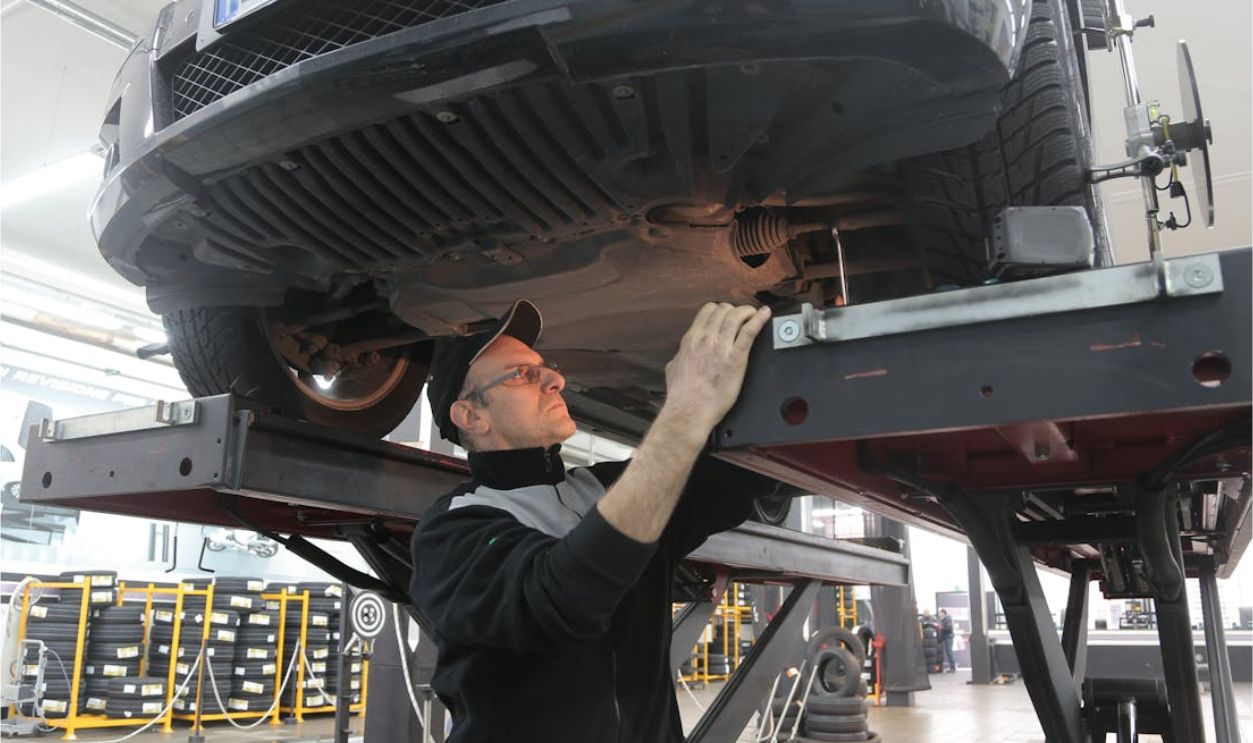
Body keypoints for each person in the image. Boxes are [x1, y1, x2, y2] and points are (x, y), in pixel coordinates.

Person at [408, 299, 791, 741]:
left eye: (544, 367)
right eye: (523, 374)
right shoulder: (453, 532)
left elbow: (745, 472)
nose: (556, 379)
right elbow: (563, 597)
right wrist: (686, 410)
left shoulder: (603, 489)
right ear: (471, 416)